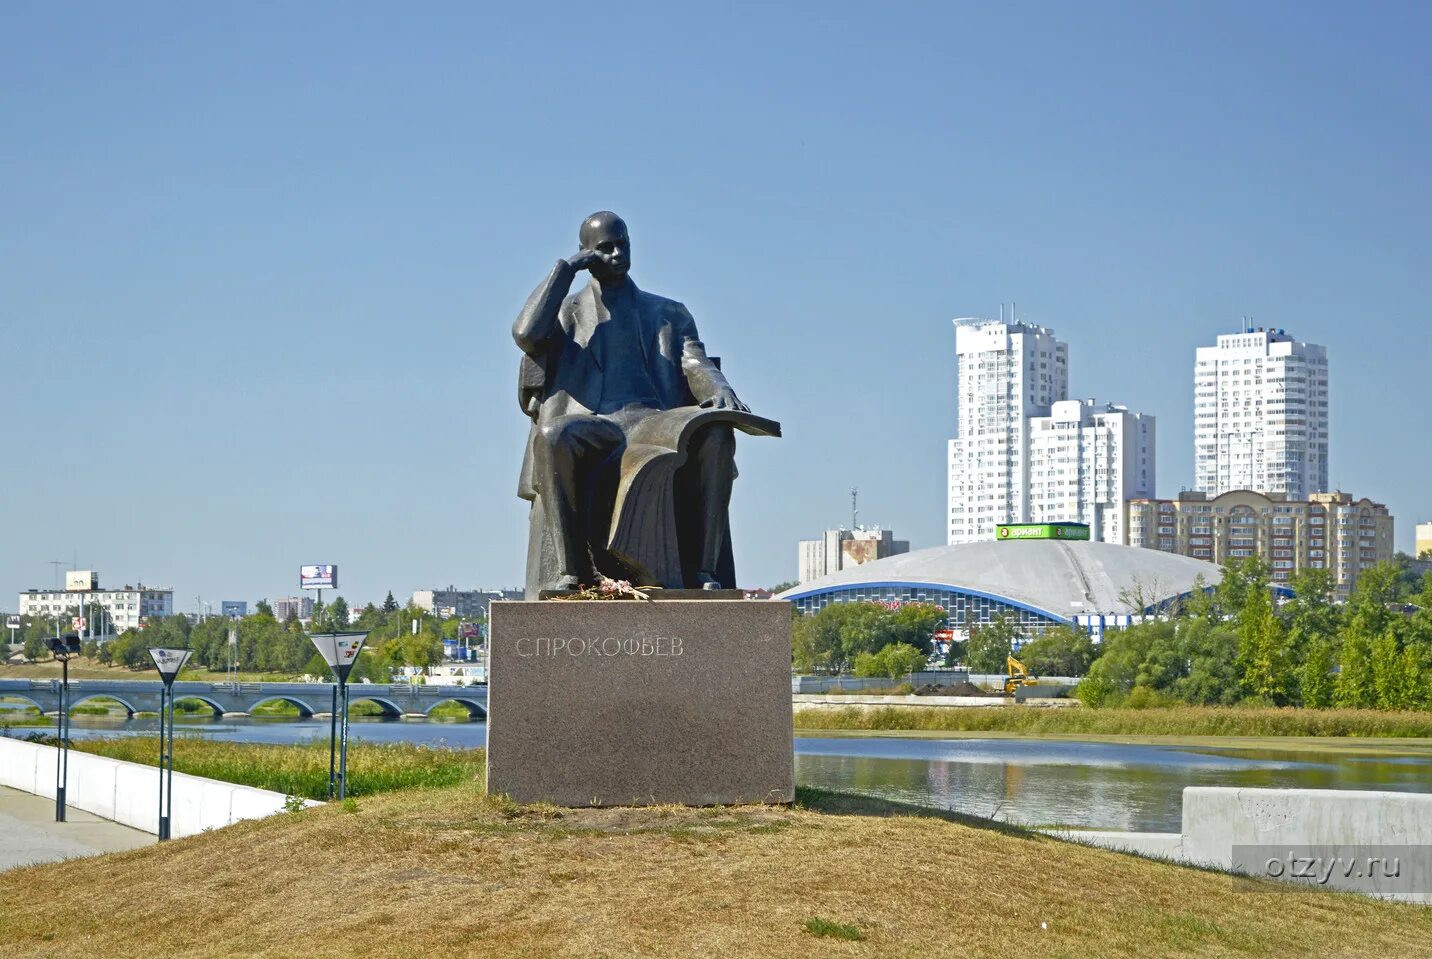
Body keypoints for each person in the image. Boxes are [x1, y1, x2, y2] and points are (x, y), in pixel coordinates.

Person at [513, 211, 749, 591]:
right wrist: (566, 270)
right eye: (605, 249)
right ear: (586, 254)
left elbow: (694, 360)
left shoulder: (668, 313)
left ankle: (704, 573)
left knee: (717, 434)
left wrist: (719, 389)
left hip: (654, 421)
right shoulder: (565, 310)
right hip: (595, 424)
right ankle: (571, 573)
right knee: (552, 435)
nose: (617, 254)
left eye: (623, 244)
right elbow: (525, 334)